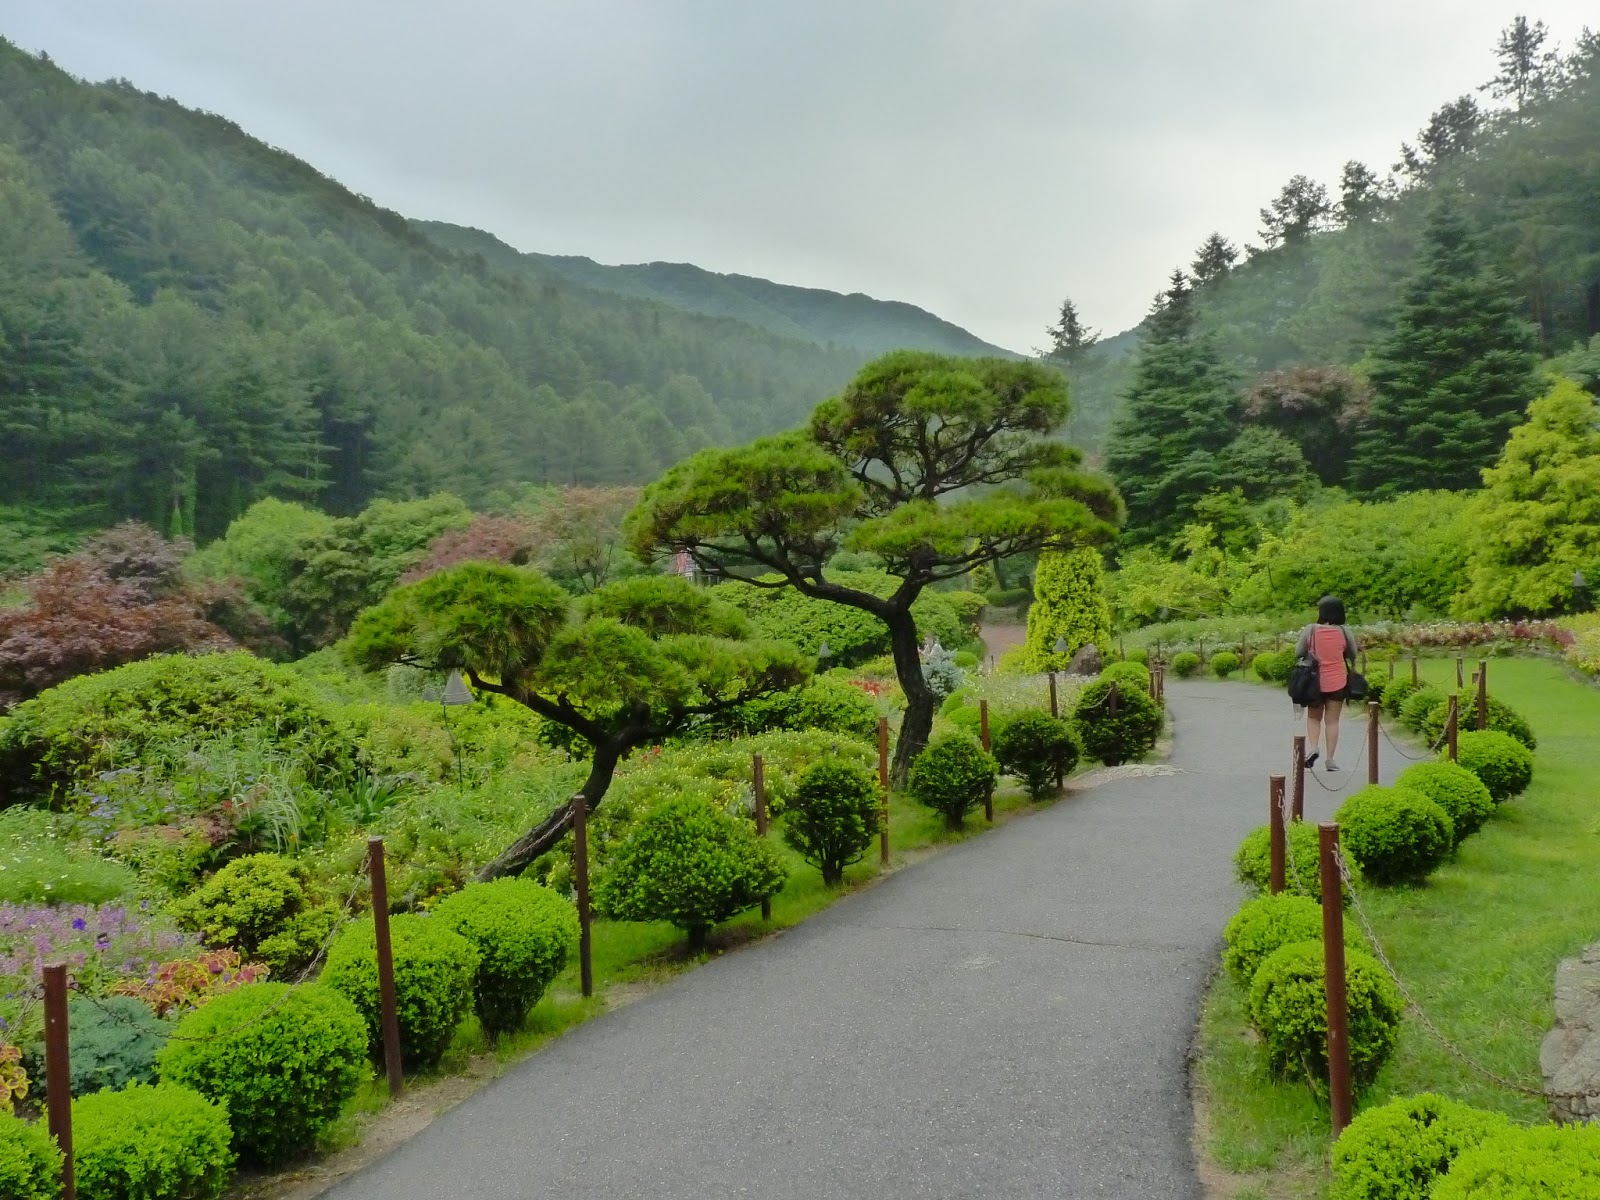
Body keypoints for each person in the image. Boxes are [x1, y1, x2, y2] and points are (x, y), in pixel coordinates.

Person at [1296, 595, 1358, 771]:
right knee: (1332, 721)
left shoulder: (1311, 630)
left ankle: (1314, 747)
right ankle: (1330, 760)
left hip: (1314, 682)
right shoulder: (1344, 632)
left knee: (1314, 718)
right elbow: (1353, 654)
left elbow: (1298, 652)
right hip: (1338, 681)